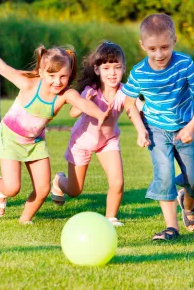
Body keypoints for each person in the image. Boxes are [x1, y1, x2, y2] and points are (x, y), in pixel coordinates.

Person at [0, 31, 111, 224]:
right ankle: (0, 188)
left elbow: (82, 103)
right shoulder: (27, 83)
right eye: (52, 75)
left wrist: (100, 114)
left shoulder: (65, 95)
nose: (57, 81)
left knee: (42, 189)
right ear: (41, 72)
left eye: (63, 76)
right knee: (12, 187)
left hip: (35, 143)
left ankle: (24, 220)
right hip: (10, 139)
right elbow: (1, 66)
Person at [122, 13, 194, 241]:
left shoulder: (184, 64)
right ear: (143, 45)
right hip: (156, 131)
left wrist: (191, 127)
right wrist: (141, 130)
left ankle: (188, 203)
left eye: (165, 47)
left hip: (185, 129)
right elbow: (128, 102)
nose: (159, 54)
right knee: (164, 175)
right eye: (152, 49)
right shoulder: (139, 72)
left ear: (174, 41)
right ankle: (172, 227)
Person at [51, 41, 142, 227]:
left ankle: (110, 218)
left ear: (124, 69)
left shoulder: (125, 92)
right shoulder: (91, 90)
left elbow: (137, 107)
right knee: (75, 190)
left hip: (108, 141)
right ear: (97, 69)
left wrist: (146, 120)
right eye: (106, 67)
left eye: (117, 67)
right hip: (81, 142)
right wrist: (84, 101)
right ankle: (59, 181)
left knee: (117, 182)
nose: (112, 73)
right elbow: (73, 113)